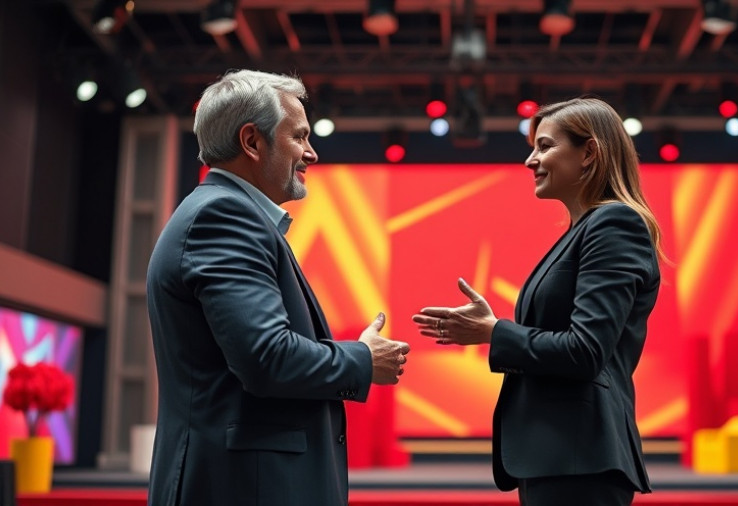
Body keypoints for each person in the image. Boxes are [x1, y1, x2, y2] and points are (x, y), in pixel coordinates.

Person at [146, 69, 410, 506]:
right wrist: (362, 359)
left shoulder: (224, 213)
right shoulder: (225, 218)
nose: (312, 152)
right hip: (244, 487)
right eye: (299, 137)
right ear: (252, 141)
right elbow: (266, 358)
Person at [413, 97, 662, 506]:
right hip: (560, 458)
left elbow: (585, 351)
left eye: (544, 146)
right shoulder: (584, 230)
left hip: (580, 460)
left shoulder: (614, 224)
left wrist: (494, 332)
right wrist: (492, 329)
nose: (531, 160)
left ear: (589, 154)